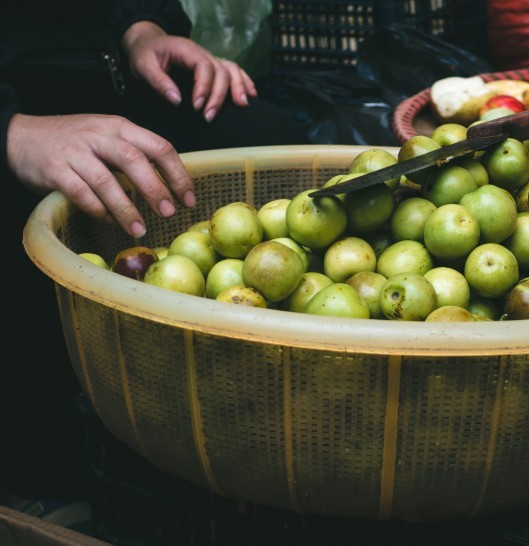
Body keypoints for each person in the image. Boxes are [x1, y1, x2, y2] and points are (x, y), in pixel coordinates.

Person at [0, 0, 308, 510]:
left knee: (262, 133)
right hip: (18, 105)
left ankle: (249, 434)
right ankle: (52, 482)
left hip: (108, 76)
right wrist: (11, 129)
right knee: (24, 229)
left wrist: (140, 29)